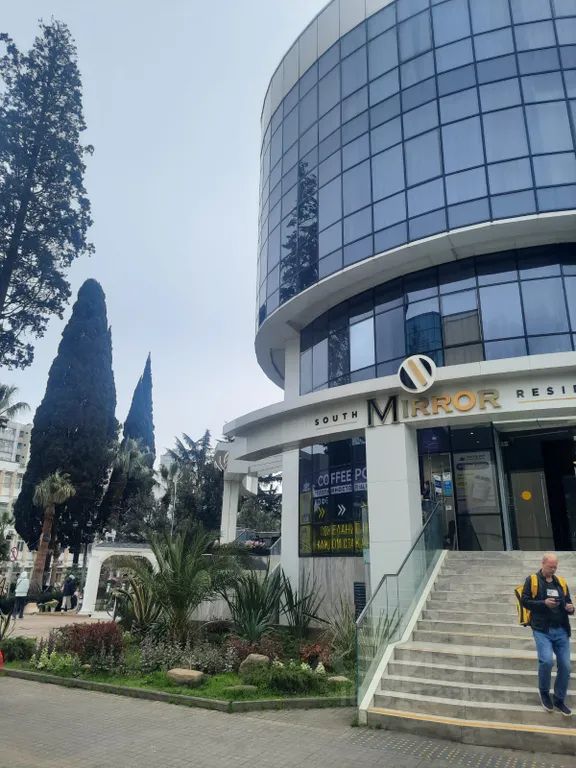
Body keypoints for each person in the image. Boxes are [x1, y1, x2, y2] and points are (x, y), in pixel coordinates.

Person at [521, 552, 575, 716]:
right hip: (542, 630)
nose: (553, 569)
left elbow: (568, 602)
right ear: (543, 563)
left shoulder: (561, 582)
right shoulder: (533, 580)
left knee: (566, 665)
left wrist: (570, 608)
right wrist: (543, 603)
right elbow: (524, 601)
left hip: (561, 630)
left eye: (555, 567)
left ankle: (559, 699)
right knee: (546, 661)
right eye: (550, 566)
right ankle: (544, 692)